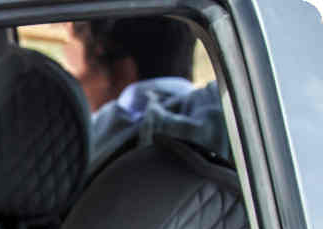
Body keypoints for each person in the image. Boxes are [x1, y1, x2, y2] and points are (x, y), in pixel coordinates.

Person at [64, 17, 230, 172]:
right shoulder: (230, 118)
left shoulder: (89, 144)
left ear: (122, 67)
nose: (77, 84)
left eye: (74, 73)